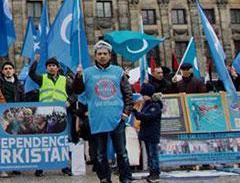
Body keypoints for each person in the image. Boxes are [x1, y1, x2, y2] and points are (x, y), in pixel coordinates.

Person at [73, 41, 133, 183]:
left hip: (117, 119)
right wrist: (78, 77)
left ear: (110, 55)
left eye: (105, 54)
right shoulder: (87, 73)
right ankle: (104, 179)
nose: (102, 56)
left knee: (122, 153)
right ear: (95, 56)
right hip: (97, 119)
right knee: (100, 155)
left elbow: (128, 94)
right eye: (99, 54)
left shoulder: (118, 72)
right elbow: (78, 91)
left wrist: (126, 113)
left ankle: (126, 179)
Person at [28, 55, 73, 177]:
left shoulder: (65, 80)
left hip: (60, 114)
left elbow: (74, 92)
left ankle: (65, 166)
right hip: (44, 113)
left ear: (58, 68)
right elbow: (31, 74)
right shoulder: (42, 79)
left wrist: (70, 101)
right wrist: (35, 62)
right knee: (43, 141)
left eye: (54, 66)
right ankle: (40, 167)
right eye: (49, 66)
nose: (51, 68)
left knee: (62, 141)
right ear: (46, 68)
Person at [133, 84, 163, 183]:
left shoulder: (155, 105)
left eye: (144, 95)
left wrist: (136, 112)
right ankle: (151, 172)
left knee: (153, 154)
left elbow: (148, 117)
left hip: (152, 133)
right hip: (146, 133)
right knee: (150, 155)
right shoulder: (147, 104)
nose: (142, 97)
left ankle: (155, 173)